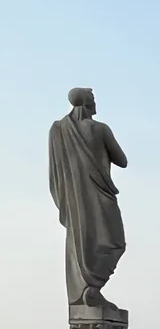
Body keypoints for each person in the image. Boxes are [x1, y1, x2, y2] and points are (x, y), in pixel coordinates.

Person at [47, 88, 128, 308]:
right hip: (99, 194)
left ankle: (87, 289)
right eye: (93, 100)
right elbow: (122, 160)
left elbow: (55, 170)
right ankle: (93, 288)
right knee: (115, 243)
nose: (95, 103)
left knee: (81, 242)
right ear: (88, 103)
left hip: (74, 199)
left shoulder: (58, 130)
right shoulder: (100, 129)